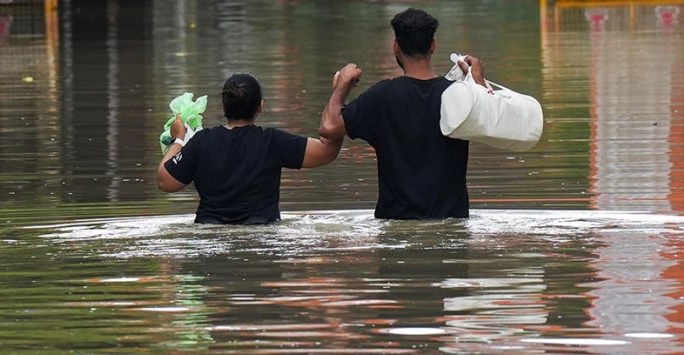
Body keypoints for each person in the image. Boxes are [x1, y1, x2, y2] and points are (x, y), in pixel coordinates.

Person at [320, 8, 486, 220]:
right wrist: (478, 85)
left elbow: (329, 128)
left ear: (396, 47)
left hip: (394, 226)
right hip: (451, 224)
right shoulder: (459, 96)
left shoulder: (381, 96)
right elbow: (489, 123)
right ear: (433, 46)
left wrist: (341, 86)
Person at [157, 68, 361, 224]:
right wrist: (339, 94)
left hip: (209, 235)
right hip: (262, 234)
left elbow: (165, 181)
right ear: (261, 106)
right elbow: (328, 151)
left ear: (224, 106)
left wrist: (179, 139)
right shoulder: (272, 142)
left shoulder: (201, 141)